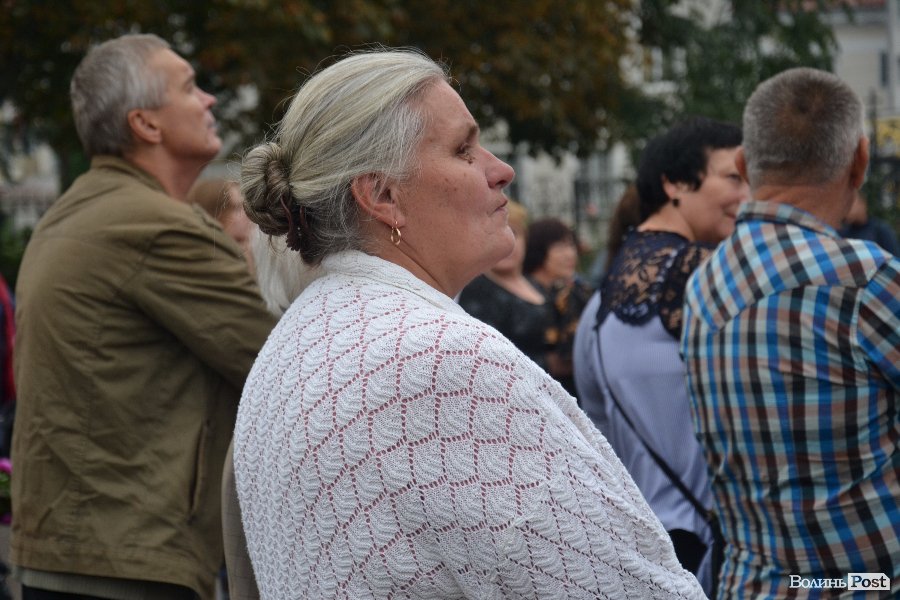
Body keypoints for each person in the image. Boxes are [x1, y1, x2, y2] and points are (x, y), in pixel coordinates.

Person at [233, 48, 706, 599]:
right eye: (463, 149)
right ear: (382, 196)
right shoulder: (439, 361)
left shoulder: (297, 338)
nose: (501, 170)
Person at [10, 34, 277, 600]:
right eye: (189, 87)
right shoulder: (157, 227)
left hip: (80, 553)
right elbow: (280, 364)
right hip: (128, 564)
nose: (208, 99)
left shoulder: (72, 213)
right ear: (145, 124)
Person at [681, 67, 900, 598]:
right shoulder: (865, 279)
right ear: (860, 160)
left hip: (752, 585)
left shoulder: (703, 285)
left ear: (742, 163)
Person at [572, 117, 747, 597]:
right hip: (711, 544)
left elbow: (597, 431)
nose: (747, 194)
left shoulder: (599, 303)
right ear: (674, 184)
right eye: (733, 177)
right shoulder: (713, 276)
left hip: (643, 544)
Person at [458, 199, 550, 369]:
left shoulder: (535, 283)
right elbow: (484, 361)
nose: (505, 241)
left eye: (513, 232)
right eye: (492, 233)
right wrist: (550, 363)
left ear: (526, 239)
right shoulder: (477, 291)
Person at [522, 217, 592, 398]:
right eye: (560, 247)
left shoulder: (570, 292)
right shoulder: (526, 296)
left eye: (571, 246)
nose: (571, 254)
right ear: (539, 251)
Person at [188, 178, 256, 273]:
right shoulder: (203, 265)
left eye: (246, 207)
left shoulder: (250, 251)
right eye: (237, 208)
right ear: (212, 215)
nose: (247, 215)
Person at [839, 191, 900, 255]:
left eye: (850, 204)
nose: (846, 209)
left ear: (862, 204)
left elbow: (895, 257)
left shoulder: (880, 230)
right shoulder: (843, 233)